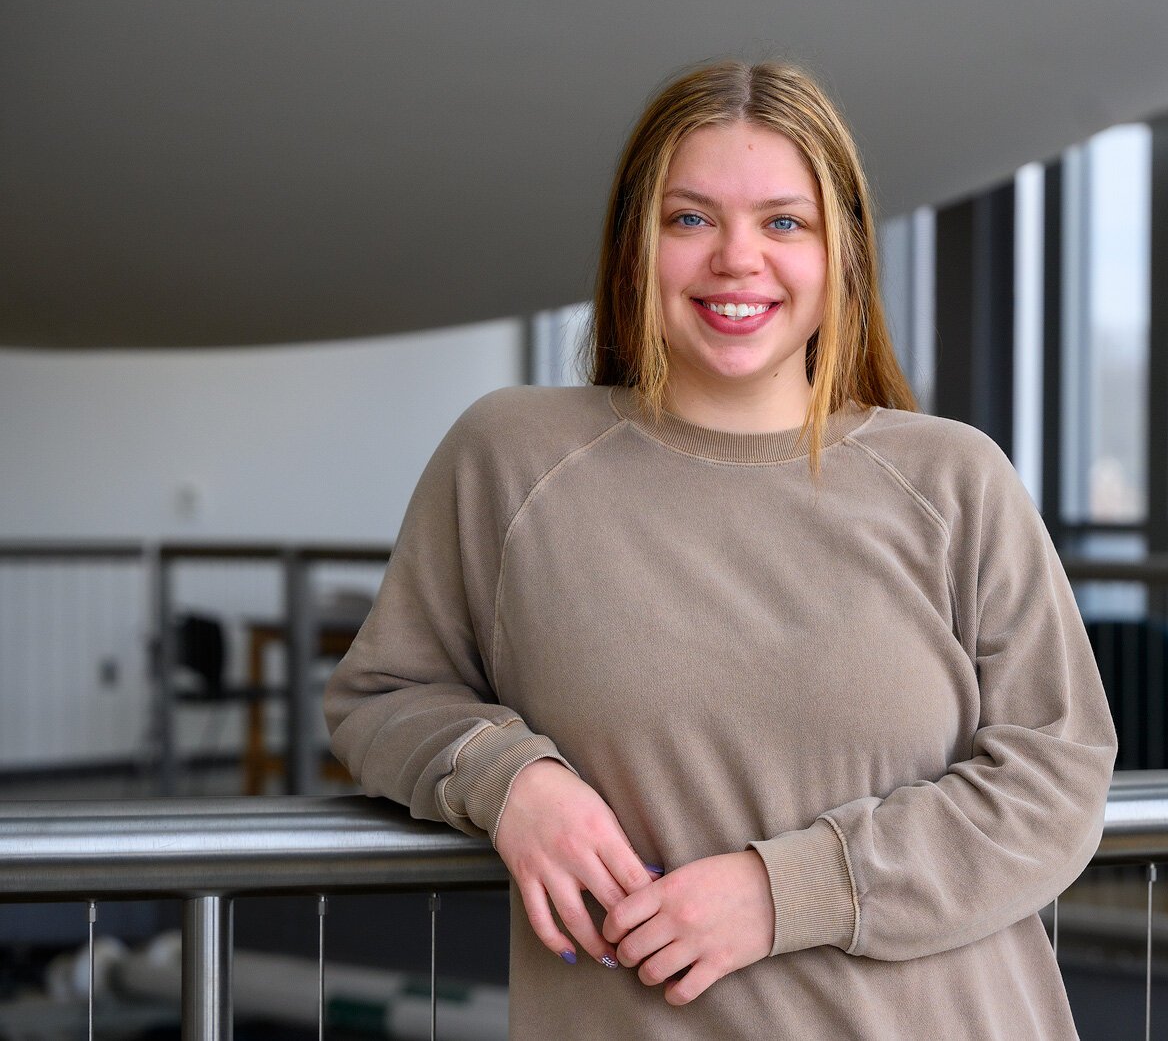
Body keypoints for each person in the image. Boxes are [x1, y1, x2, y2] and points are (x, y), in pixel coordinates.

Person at [324, 58, 1117, 1039]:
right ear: (633, 248)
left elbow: (1058, 771)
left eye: (785, 221)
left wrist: (787, 891)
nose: (737, 259)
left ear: (844, 255)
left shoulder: (954, 478)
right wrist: (510, 780)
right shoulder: (511, 457)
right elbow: (382, 696)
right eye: (689, 218)